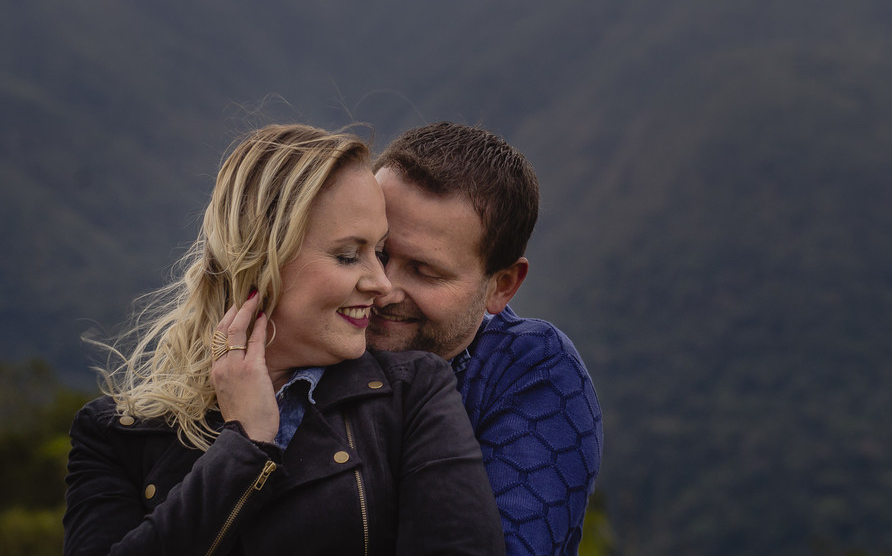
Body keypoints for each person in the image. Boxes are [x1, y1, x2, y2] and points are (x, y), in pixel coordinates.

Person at [64, 123, 504, 556]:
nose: (381, 283)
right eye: (348, 256)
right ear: (260, 258)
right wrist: (245, 445)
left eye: (378, 252)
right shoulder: (112, 433)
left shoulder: (413, 392)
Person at [366, 122, 603, 556]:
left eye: (424, 271)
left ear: (502, 285)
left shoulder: (531, 370)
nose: (382, 288)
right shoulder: (305, 332)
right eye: (374, 253)